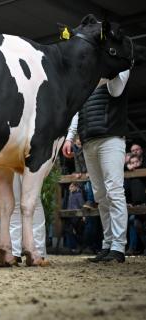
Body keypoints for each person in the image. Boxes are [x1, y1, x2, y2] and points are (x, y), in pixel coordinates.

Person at [63, 70, 130, 263]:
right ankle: (107, 245)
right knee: (100, 195)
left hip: (111, 137)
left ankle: (118, 247)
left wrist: (109, 69)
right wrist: (70, 137)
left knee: (114, 191)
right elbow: (77, 110)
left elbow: (116, 91)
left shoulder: (121, 68)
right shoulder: (86, 76)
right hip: (88, 140)